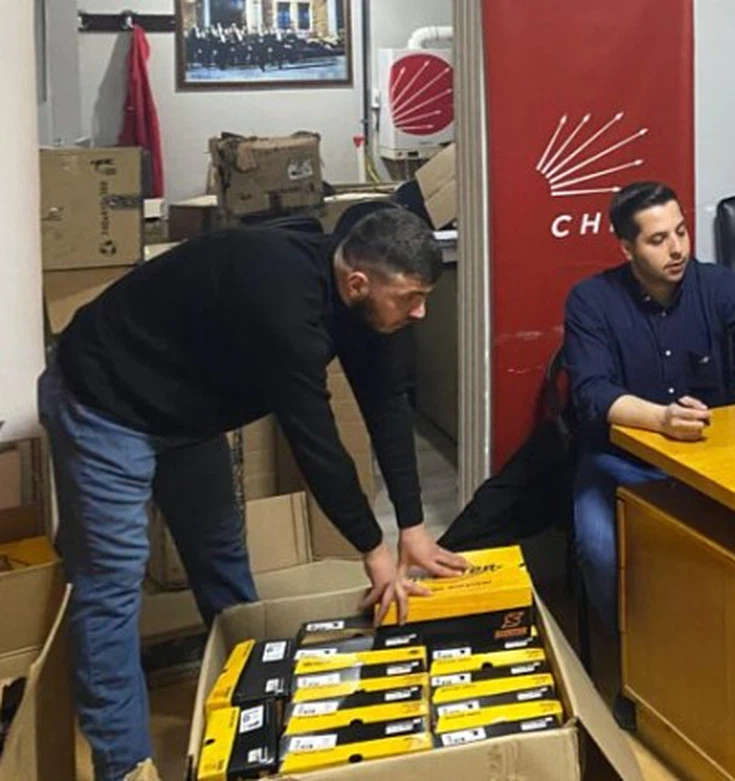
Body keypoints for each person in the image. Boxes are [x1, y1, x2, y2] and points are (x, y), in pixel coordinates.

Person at [40, 209, 468, 781]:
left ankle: (253, 712)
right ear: (359, 282)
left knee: (220, 557)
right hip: (105, 398)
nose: (420, 312)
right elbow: (316, 444)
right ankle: (124, 767)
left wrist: (411, 528)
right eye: (412, 298)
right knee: (111, 586)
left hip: (188, 411)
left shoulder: (366, 306)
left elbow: (387, 406)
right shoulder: (283, 300)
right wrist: (373, 550)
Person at [562, 180, 735, 635]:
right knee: (600, 554)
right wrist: (661, 419)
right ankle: (634, 653)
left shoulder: (717, 284)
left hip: (710, 461)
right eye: (658, 240)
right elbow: (592, 393)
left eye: (681, 232)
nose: (677, 249)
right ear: (627, 248)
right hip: (619, 462)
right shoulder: (591, 300)